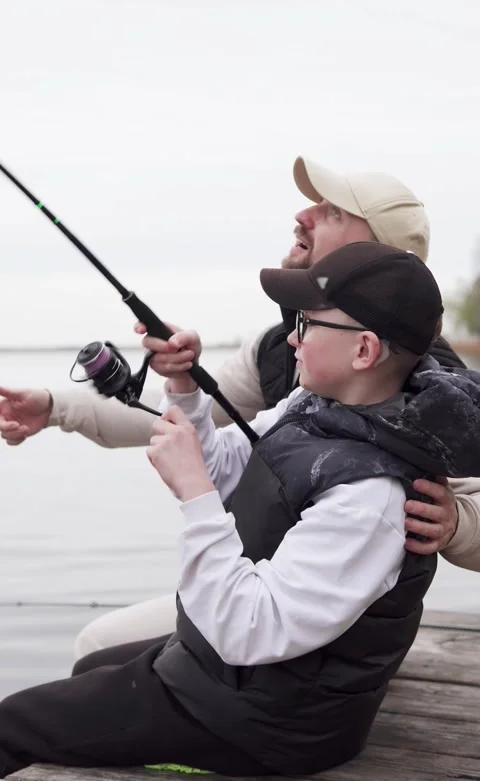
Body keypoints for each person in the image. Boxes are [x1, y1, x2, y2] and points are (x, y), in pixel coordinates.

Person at [2, 241, 480, 779]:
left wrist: (195, 495)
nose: (292, 337)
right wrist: (184, 388)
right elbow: (229, 467)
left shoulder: (373, 495)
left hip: (269, 727)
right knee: (92, 664)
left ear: (364, 351)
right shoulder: (315, 405)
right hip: (250, 685)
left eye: (307, 323)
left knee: (10, 726)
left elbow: (251, 629)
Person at [1, 156, 478, 660]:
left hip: (322, 639)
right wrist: (56, 407)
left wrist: (460, 521)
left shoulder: (436, 386)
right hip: (258, 589)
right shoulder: (277, 349)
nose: (304, 215)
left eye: (333, 211)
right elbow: (175, 427)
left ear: (379, 254)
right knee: (99, 647)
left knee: (101, 651)